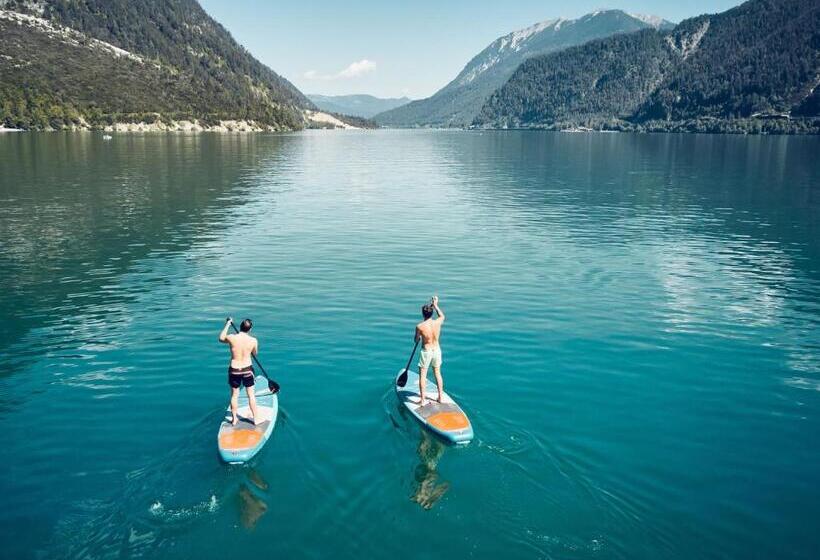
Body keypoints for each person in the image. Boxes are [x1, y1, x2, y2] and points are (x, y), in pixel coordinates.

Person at [219, 317, 259, 426]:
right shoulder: (253, 340)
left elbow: (221, 338)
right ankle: (256, 419)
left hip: (234, 370)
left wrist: (228, 324)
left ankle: (234, 419)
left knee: (234, 395)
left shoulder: (232, 337)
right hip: (247, 370)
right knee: (251, 395)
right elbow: (255, 354)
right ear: (250, 329)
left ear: (240, 327)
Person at [415, 296, 445, 405]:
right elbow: (442, 315)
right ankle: (440, 397)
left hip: (426, 352)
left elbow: (416, 340)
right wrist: (436, 305)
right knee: (437, 373)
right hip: (437, 350)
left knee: (423, 375)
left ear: (423, 314)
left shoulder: (420, 326)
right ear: (432, 314)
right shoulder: (438, 322)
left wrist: (418, 338)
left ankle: (423, 400)